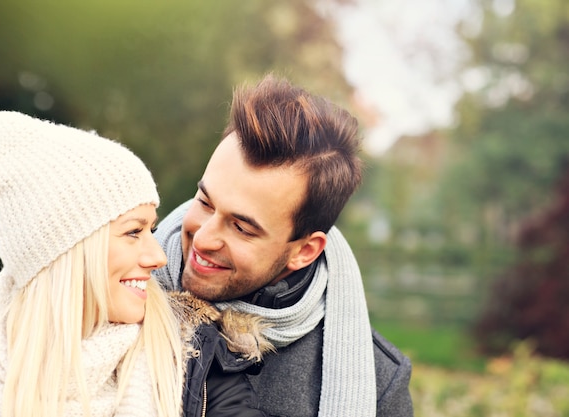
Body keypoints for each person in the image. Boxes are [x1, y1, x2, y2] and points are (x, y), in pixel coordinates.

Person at [0, 111, 273, 417]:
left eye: (151, 229)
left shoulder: (194, 352)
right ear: (65, 252)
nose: (157, 257)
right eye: (133, 232)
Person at [154, 75, 414, 417]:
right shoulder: (113, 290)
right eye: (204, 202)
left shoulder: (378, 384)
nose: (202, 237)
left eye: (241, 227)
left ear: (304, 251)